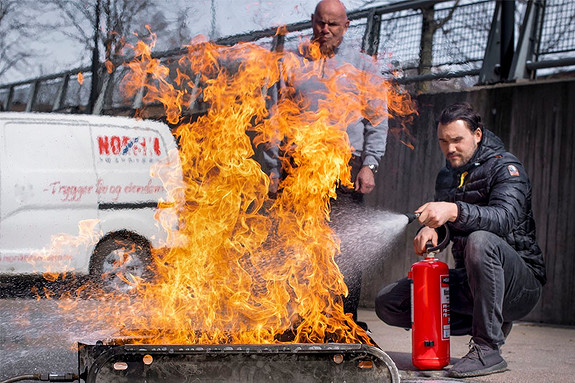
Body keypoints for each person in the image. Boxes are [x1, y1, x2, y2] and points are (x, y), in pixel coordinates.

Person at [375, 102, 546, 377]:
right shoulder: (447, 175)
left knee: (481, 241)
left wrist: (452, 210)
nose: (450, 148)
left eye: (457, 140)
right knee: (389, 302)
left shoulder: (507, 169)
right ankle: (489, 320)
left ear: (477, 135)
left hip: (518, 285)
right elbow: (450, 226)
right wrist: (434, 231)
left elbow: (503, 218)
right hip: (473, 281)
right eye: (444, 141)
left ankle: (487, 347)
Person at [265, 0, 388, 325]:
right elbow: (273, 119)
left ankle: (344, 321)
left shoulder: (363, 66)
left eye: (333, 24)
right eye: (321, 23)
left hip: (345, 167)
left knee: (346, 247)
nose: (326, 30)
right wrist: (273, 169)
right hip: (297, 167)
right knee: (295, 245)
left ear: (346, 26)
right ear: (312, 22)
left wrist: (370, 164)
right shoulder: (290, 62)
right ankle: (297, 321)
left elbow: (378, 119)